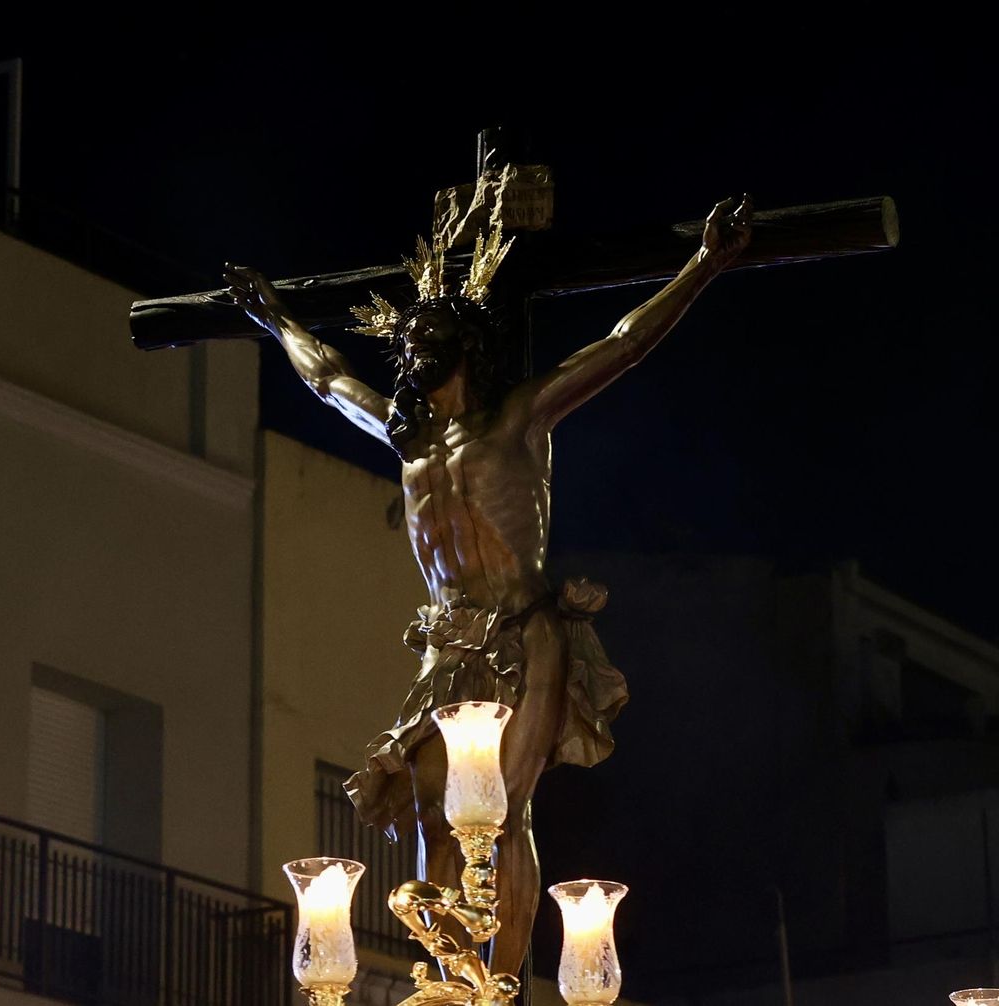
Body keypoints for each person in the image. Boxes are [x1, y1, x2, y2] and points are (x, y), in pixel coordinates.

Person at [225, 193, 752, 976]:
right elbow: (329, 380)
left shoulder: (517, 420)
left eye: (426, 335)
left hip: (527, 633)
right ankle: (450, 978)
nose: (409, 349)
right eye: (404, 340)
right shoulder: (406, 440)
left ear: (465, 344)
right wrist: (277, 321)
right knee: (427, 808)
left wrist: (705, 264)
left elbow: (623, 344)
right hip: (448, 643)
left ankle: (502, 980)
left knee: (502, 812)